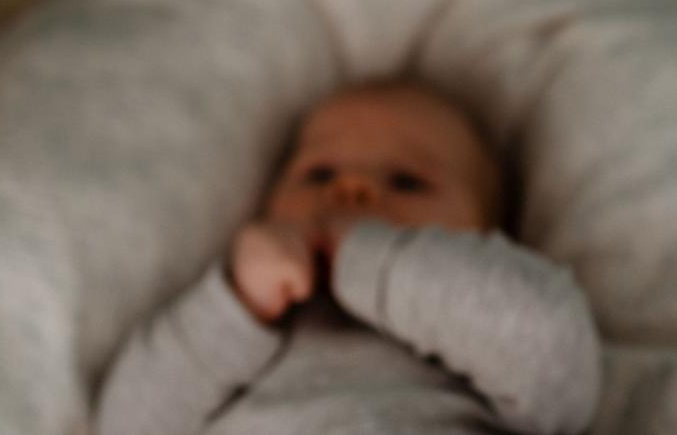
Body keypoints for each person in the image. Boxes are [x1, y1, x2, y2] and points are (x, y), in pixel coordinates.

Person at [93, 79, 602, 434]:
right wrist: (236, 302)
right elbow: (129, 424)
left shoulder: (481, 334)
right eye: (319, 174)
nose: (351, 190)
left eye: (406, 181)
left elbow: (559, 379)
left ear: (488, 237)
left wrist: (375, 260)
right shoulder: (243, 335)